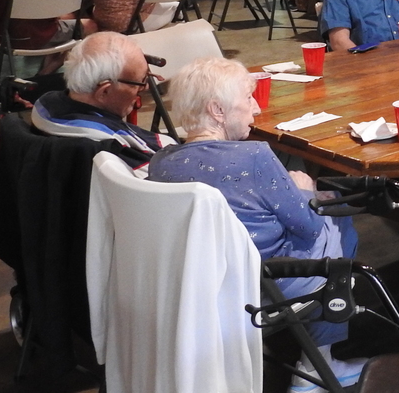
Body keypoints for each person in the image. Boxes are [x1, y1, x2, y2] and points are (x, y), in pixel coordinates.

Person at [148, 57, 366, 392]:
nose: (257, 110)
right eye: (248, 99)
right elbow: (309, 227)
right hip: (264, 284)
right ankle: (319, 366)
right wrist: (304, 190)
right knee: (339, 215)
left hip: (200, 286)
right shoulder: (254, 157)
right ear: (217, 110)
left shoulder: (163, 162)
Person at [31, 31, 176, 173]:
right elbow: (170, 183)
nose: (146, 88)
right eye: (141, 82)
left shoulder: (44, 106)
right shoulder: (110, 145)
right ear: (104, 91)